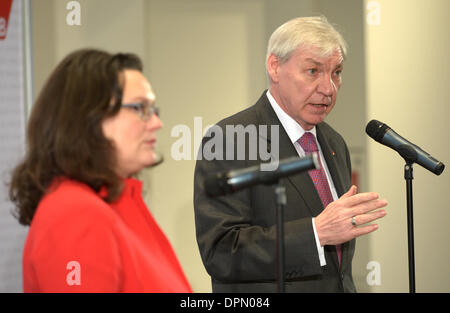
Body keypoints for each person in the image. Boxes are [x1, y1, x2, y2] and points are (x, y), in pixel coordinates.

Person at [194, 16, 388, 292]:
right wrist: (315, 234)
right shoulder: (230, 138)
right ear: (275, 67)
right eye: (313, 71)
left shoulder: (334, 142)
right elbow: (222, 251)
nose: (328, 88)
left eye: (336, 73)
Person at [9, 49, 192, 292]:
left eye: (153, 109)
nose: (157, 123)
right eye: (139, 108)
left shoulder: (112, 203)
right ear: (89, 118)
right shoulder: (74, 214)